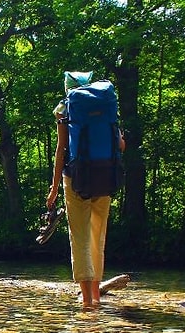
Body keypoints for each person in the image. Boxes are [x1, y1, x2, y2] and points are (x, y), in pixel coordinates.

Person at [46, 71, 126, 310]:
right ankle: (97, 297)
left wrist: (53, 189)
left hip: (76, 179)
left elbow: (61, 150)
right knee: (97, 237)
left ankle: (87, 301)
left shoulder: (64, 109)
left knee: (79, 237)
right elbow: (120, 144)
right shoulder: (106, 104)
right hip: (105, 176)